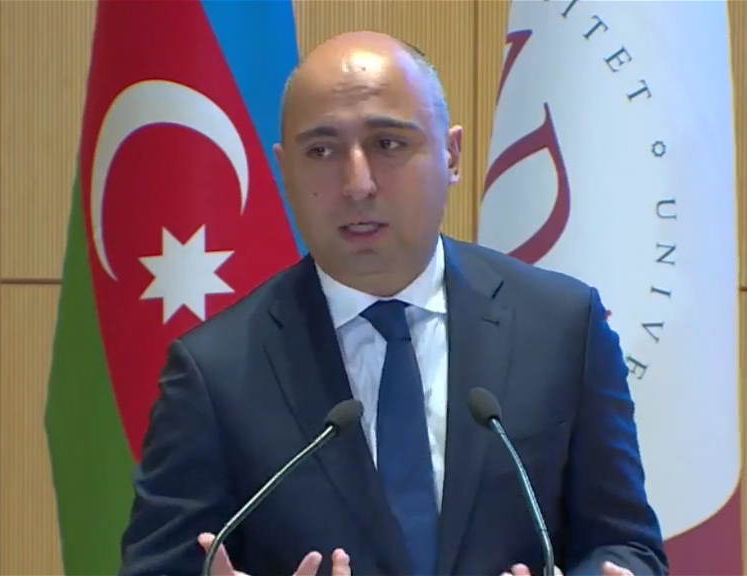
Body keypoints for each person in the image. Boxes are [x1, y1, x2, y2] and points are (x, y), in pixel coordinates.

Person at [118, 30, 668, 576]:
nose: (357, 184)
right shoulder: (214, 372)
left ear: (451, 155)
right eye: (321, 151)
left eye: (388, 144)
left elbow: (626, 546)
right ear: (285, 170)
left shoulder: (562, 328)